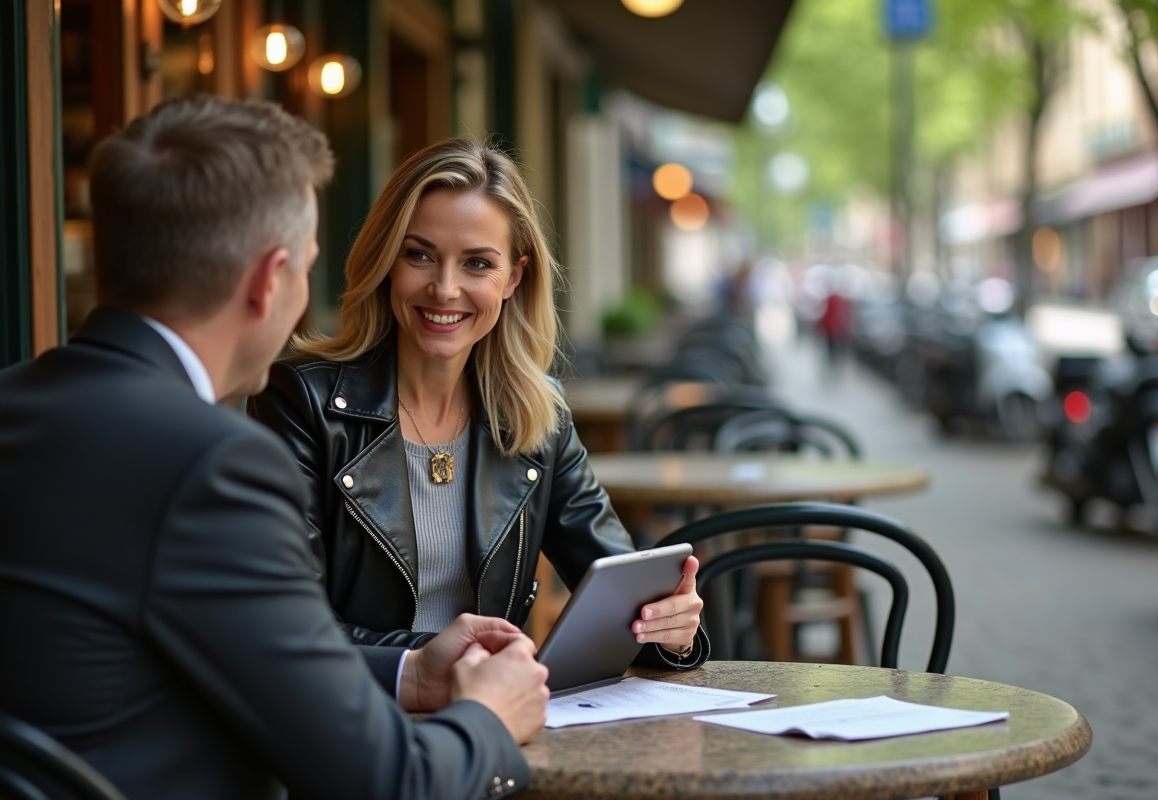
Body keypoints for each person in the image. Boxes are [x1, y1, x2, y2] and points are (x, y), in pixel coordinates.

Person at [0, 96, 548, 800]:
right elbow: (388, 784)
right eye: (305, 270)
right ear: (268, 280)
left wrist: (411, 673)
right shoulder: (215, 467)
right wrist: (487, 716)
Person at [248, 138, 709, 668]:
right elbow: (283, 623)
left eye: (476, 263)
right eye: (419, 255)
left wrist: (670, 629)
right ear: (386, 262)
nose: (445, 289)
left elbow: (622, 596)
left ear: (513, 277)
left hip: (493, 716)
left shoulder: (539, 415)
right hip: (356, 715)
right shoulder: (300, 400)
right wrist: (434, 661)